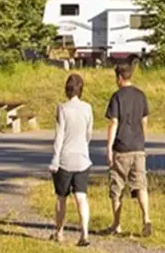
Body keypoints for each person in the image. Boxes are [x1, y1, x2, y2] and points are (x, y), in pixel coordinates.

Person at [104, 62, 152, 237]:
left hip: (121, 147)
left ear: (119, 77)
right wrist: (142, 139)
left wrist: (109, 148)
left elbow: (114, 122)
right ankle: (146, 219)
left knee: (117, 186)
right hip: (138, 147)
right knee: (140, 185)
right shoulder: (141, 95)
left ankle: (116, 224)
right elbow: (144, 121)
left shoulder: (117, 97)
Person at [49, 73, 94, 247]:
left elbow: (59, 136)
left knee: (61, 197)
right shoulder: (88, 108)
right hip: (83, 158)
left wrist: (55, 158)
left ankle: (59, 232)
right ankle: (84, 233)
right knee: (81, 196)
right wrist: (83, 146)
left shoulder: (62, 108)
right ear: (81, 89)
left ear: (67, 90)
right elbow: (89, 133)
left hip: (65, 159)